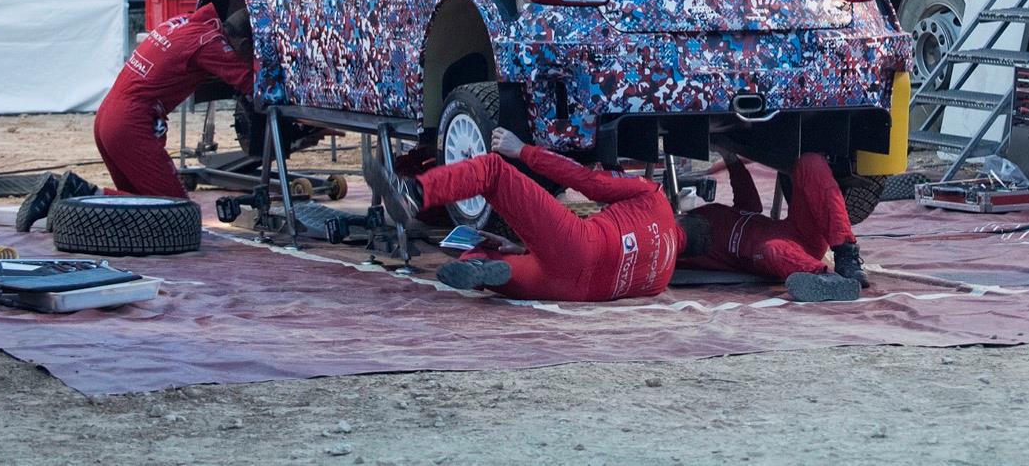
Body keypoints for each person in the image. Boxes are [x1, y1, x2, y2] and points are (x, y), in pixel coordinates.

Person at [16, 3, 255, 231]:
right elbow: (252, 85)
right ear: (244, 42)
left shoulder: (182, 22)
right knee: (180, 214)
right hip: (131, 125)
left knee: (140, 206)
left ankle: (53, 192)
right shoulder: (209, 42)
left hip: (108, 115)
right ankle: (79, 192)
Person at [367, 127, 678, 302]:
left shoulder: (655, 198)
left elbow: (588, 182)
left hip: (580, 246)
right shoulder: (660, 280)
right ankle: (484, 268)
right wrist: (522, 248)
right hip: (570, 290)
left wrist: (523, 150)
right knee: (479, 256)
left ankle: (413, 195)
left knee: (492, 171)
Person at [676, 149, 867, 302]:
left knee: (810, 162)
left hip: (796, 232)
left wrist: (730, 157)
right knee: (770, 249)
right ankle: (826, 278)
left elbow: (751, 204)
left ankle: (847, 255)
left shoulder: (705, 212)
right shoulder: (677, 245)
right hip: (773, 253)